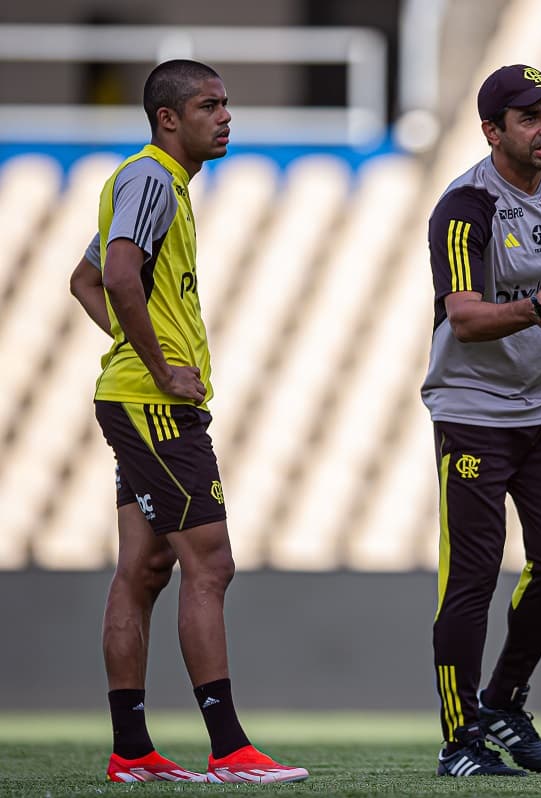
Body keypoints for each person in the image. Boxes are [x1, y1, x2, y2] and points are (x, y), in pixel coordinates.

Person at [70, 59, 307, 785]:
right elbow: (112, 276)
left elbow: (83, 279)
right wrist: (160, 364)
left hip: (139, 398)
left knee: (144, 569)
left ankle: (132, 752)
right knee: (211, 562)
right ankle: (231, 748)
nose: (226, 115)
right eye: (210, 104)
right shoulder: (149, 178)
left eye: (227, 103)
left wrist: (134, 354)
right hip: (155, 406)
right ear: (169, 118)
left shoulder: (156, 184)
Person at [421, 63, 541, 777]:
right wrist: (535, 309)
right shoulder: (464, 205)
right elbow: (463, 318)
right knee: (470, 576)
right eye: (530, 117)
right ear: (492, 130)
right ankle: (459, 738)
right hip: (472, 413)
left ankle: (503, 699)